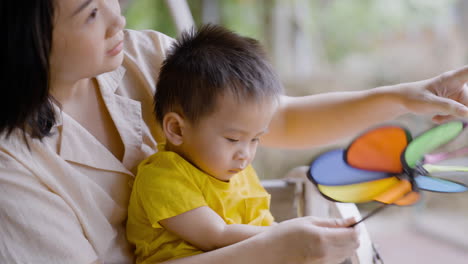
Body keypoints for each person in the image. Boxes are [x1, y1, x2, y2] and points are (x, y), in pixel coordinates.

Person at [1, 0, 467, 263]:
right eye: (89, 13)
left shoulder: (147, 58)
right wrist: (273, 249)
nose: (117, 15)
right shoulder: (12, 173)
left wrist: (404, 98)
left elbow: (278, 119)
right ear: (29, 39)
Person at [127, 24, 284, 263]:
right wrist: (287, 236)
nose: (245, 154)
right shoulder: (162, 177)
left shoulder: (238, 172)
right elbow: (215, 235)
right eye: (233, 139)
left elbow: (264, 224)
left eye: (255, 139)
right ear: (177, 129)